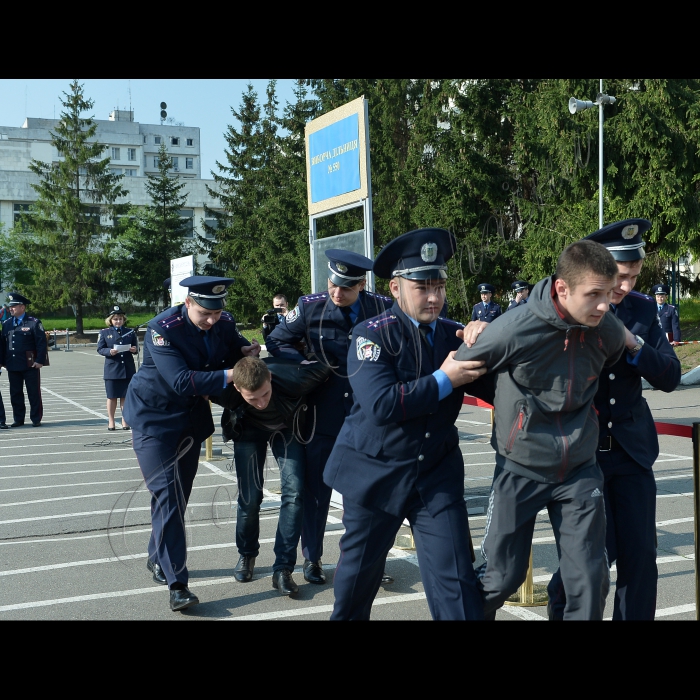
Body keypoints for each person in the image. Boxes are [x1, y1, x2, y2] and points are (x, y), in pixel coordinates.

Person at [324, 228, 493, 620]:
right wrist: (446, 378)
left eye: (439, 286)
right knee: (356, 583)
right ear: (396, 288)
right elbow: (382, 404)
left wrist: (490, 340)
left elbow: (499, 384)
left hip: (435, 473)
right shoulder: (371, 334)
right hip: (375, 473)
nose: (433, 297)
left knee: (457, 583)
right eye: (422, 287)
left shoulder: (456, 335)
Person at [455, 239, 627, 620]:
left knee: (589, 579)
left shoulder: (606, 329)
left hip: (580, 471)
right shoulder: (512, 328)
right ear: (562, 288)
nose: (605, 305)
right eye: (594, 294)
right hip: (521, 468)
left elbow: (616, 352)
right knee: (501, 578)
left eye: (609, 294)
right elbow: (460, 368)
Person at [546, 220, 681, 620]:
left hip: (632, 454)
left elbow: (670, 376)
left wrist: (633, 342)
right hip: (583, 458)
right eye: (619, 277)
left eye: (634, 277)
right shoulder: (568, 300)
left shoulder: (641, 310)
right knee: (590, 560)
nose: (625, 287)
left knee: (641, 559)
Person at [123, 276, 260, 612]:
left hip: (189, 423)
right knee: (168, 497)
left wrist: (244, 350)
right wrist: (234, 373)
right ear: (187, 304)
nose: (211, 319)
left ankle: (157, 556)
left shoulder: (222, 321)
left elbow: (231, 343)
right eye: (204, 313)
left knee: (175, 498)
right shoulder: (161, 329)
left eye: (217, 312)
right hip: (153, 421)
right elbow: (183, 381)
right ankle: (178, 584)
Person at [265, 249, 394, 587]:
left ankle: (364, 561)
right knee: (316, 493)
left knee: (364, 495)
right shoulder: (310, 306)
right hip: (321, 414)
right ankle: (313, 559)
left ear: (361, 285)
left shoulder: (379, 306)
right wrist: (302, 363)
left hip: (366, 416)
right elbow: (277, 340)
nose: (338, 293)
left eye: (346, 288)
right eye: (333, 285)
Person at [211, 356, 331, 596]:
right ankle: (247, 555)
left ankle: (283, 568)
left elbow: (328, 364)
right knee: (250, 497)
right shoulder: (223, 390)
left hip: (286, 429)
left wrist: (300, 352)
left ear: (271, 379)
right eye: (252, 397)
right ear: (236, 388)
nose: (261, 402)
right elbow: (188, 380)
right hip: (247, 430)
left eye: (265, 394)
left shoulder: (296, 379)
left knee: (295, 493)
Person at [0, 292, 47, 428]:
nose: (11, 309)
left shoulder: (34, 322)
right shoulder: (7, 324)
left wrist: (39, 360)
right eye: (10, 307)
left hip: (30, 364)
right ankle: (18, 418)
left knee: (33, 392)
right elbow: (3, 344)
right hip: (13, 364)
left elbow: (41, 343)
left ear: (22, 307)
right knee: (15, 393)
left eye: (14, 306)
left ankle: (36, 418)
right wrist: (2, 361)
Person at [97, 305, 138, 431]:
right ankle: (111, 420)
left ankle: (125, 420)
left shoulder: (130, 332)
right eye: (115, 319)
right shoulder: (104, 332)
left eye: (120, 319)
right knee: (112, 396)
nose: (118, 321)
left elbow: (136, 347)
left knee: (125, 396)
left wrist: (134, 349)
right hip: (112, 369)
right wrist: (109, 351)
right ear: (110, 320)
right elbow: (100, 348)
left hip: (127, 368)